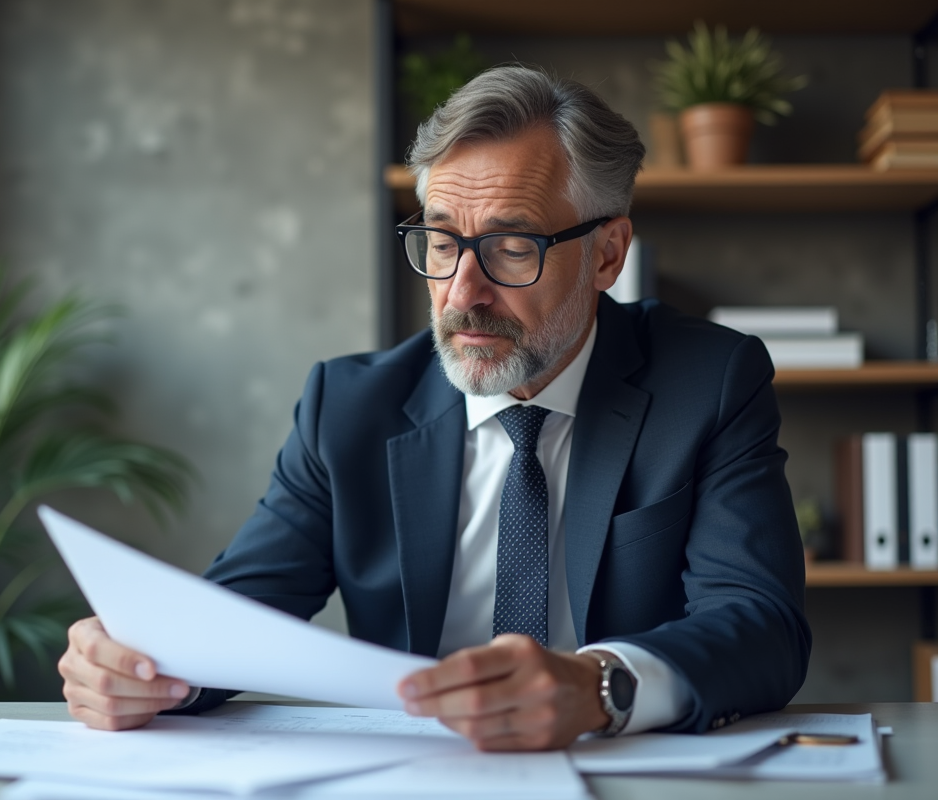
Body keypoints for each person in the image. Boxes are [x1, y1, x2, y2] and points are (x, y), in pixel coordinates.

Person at [58, 66, 811, 751]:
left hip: (621, 769)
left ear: (607, 255)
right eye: (442, 242)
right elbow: (241, 612)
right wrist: (142, 666)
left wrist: (599, 686)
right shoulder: (348, 407)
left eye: (512, 247)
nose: (462, 293)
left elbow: (761, 624)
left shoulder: (708, 383)